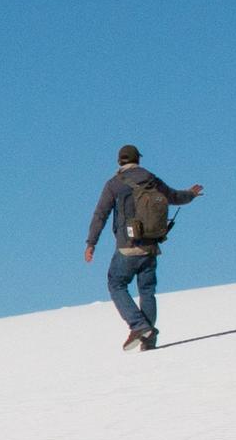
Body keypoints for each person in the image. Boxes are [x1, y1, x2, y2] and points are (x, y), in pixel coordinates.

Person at [83, 144, 203, 351]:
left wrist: (91, 243)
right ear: (138, 159)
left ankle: (139, 326)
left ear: (119, 161)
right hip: (151, 245)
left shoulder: (113, 184)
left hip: (127, 246)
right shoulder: (151, 179)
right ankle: (148, 340)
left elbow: (100, 214)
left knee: (116, 284)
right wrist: (190, 194)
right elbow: (174, 197)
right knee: (147, 290)